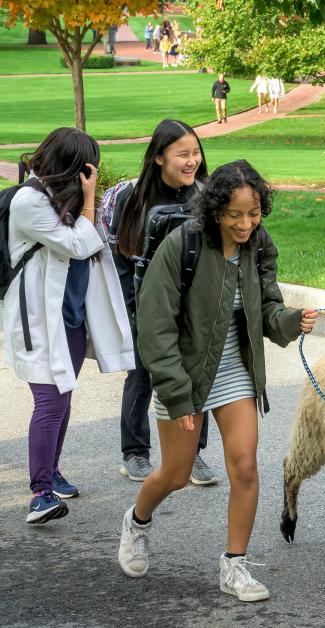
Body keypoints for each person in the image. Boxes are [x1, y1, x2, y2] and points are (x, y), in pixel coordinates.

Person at [118, 160, 318, 601]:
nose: (246, 224)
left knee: (245, 468)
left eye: (254, 213)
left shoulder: (259, 245)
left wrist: (289, 321)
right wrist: (177, 393)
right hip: (184, 373)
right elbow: (155, 327)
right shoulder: (182, 245)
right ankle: (136, 522)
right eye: (235, 215)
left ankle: (234, 565)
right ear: (214, 211)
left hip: (234, 371)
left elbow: (266, 309)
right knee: (175, 473)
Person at [3, 128, 134, 524]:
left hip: (69, 319)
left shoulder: (59, 198)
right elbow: (79, 244)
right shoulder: (29, 201)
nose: (90, 174)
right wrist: (91, 199)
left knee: (64, 397)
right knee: (50, 401)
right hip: (39, 322)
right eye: (85, 166)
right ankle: (39, 494)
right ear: (70, 166)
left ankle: (52, 473)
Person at [106, 119, 218, 485]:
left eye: (196, 153)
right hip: (146, 305)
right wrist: (131, 309)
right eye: (182, 154)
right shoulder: (133, 198)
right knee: (141, 377)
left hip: (193, 306)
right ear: (158, 157)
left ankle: (192, 453)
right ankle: (135, 452)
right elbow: (121, 257)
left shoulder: (204, 194)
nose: (192, 161)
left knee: (193, 378)